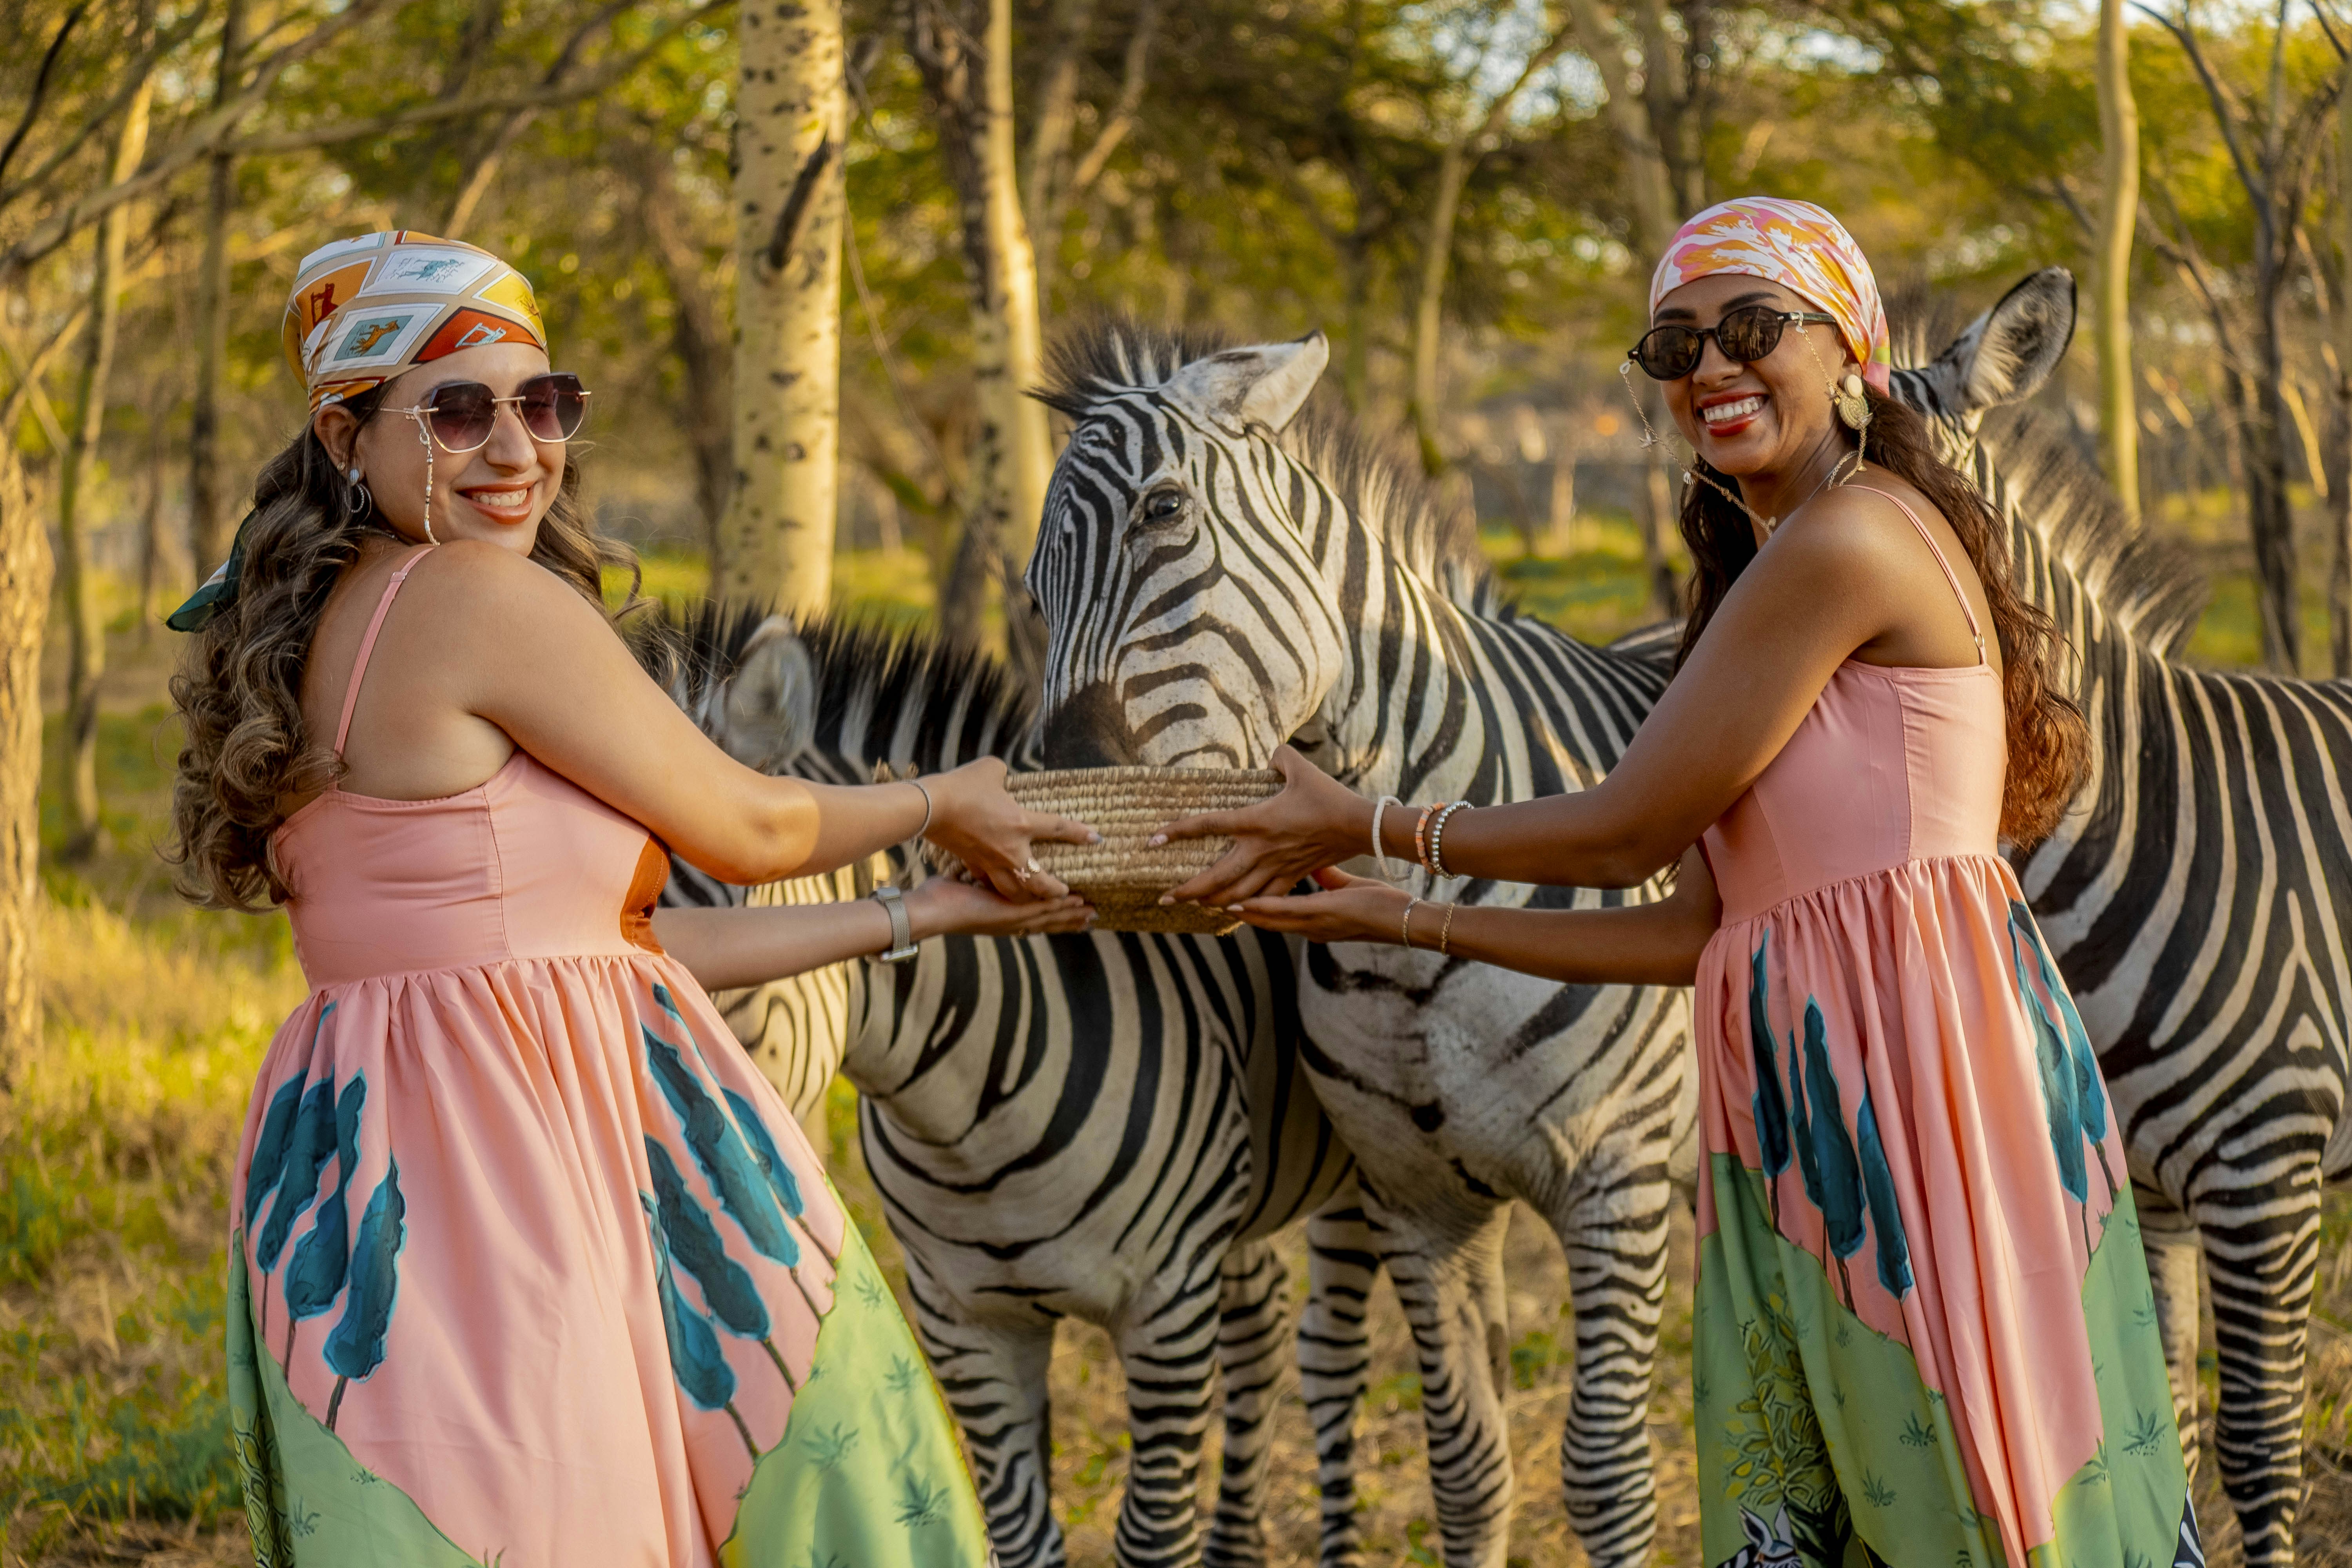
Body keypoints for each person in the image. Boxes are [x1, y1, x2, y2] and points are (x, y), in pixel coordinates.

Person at [1150, 199, 2198, 1568]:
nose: (1710, 368)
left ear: (1854, 352)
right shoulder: (1772, 564)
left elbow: (1626, 832)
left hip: (1917, 1089)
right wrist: (1388, 911)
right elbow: (1707, 927)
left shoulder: (1848, 540)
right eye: (1675, 344)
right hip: (1821, 1092)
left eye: (1754, 329)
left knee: (1958, 1497)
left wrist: (1376, 821)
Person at [168, 230, 1091, 1566]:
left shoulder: (324, 614)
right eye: (458, 410)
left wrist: (922, 913)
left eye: (541, 405)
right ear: (344, 433)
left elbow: (613, 956)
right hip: (498, 1174)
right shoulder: (470, 596)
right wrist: (946, 798)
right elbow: (754, 821)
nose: (515, 449)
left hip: (385, 1150)